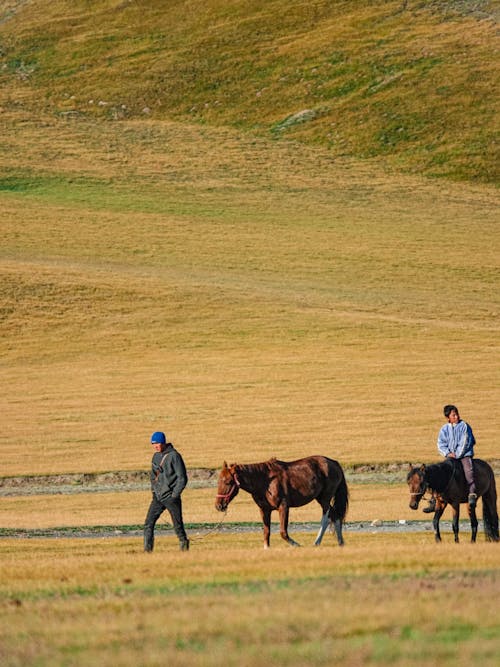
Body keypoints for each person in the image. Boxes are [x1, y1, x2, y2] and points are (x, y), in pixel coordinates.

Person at [423, 405, 477, 513]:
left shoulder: (464, 426)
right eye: (454, 415)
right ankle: (434, 500)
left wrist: (457, 454)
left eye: (457, 414)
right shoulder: (444, 429)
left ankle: (471, 494)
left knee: (468, 470)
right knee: (439, 473)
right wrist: (447, 453)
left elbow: (465, 442)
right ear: (448, 418)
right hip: (450, 456)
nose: (457, 416)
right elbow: (440, 444)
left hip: (464, 455)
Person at [144, 431, 189, 552]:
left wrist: (174, 495)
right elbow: (153, 476)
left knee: (178, 526)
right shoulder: (155, 456)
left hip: (171, 497)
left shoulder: (175, 456)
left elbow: (182, 478)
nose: (155, 446)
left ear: (163, 442)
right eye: (153, 444)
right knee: (148, 523)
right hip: (158, 498)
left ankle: (184, 549)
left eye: (157, 443)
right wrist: (154, 491)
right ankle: (147, 552)